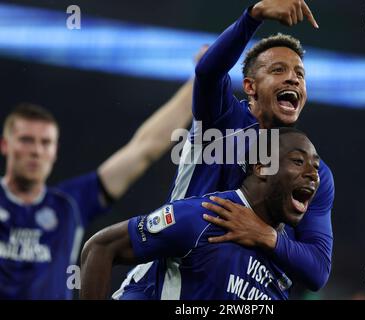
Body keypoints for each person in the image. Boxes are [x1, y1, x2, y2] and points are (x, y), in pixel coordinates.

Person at [115, 0, 334, 299]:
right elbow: (207, 73)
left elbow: (318, 270)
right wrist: (253, 16)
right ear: (250, 86)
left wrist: (265, 235)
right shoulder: (221, 121)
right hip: (169, 281)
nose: (293, 78)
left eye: (300, 73)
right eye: (278, 69)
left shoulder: (313, 173)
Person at [0, 76, 195, 299]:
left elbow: (144, 148)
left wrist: (200, 79)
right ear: (5, 145)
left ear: (55, 151)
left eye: (45, 143)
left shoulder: (70, 203)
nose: (36, 150)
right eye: (26, 140)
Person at [80, 128, 323, 300]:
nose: (313, 174)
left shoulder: (286, 260)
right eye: (298, 161)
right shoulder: (206, 216)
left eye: (317, 167)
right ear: (261, 167)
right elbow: (100, 247)